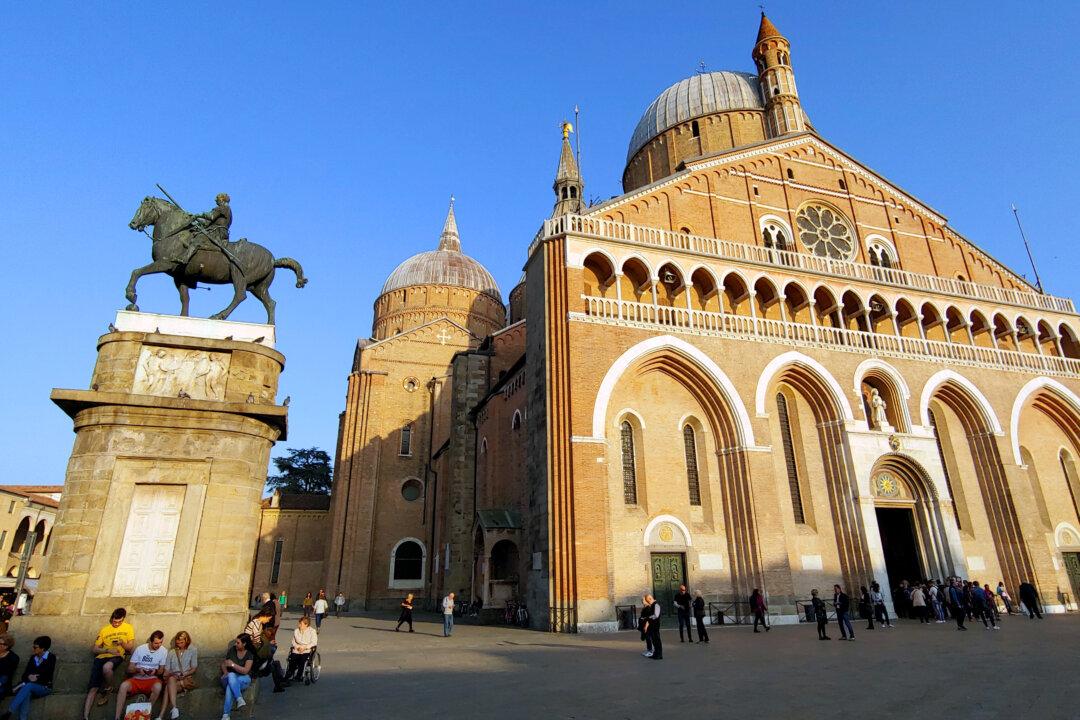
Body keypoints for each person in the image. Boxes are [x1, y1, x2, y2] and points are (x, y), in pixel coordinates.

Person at [84, 607, 135, 720]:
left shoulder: (128, 628)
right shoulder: (104, 629)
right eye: (114, 621)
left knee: (107, 667)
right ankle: (86, 716)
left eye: (119, 622)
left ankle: (109, 687)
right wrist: (107, 650)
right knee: (93, 689)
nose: (116, 623)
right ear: (112, 618)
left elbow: (130, 648)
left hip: (117, 656)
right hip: (102, 656)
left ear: (123, 620)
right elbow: (94, 649)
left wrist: (122, 643)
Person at [115, 630, 166, 720]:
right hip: (137, 678)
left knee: (158, 686)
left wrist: (155, 671)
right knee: (123, 686)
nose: (158, 645)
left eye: (160, 642)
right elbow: (129, 669)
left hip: (152, 679)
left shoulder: (163, 651)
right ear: (150, 641)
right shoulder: (140, 649)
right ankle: (117, 717)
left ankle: (145, 714)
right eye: (156, 643)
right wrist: (138, 670)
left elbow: (161, 671)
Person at [3, 636, 55, 720]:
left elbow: (47, 674)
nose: (33, 649)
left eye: (35, 647)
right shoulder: (32, 658)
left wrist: (36, 678)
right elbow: (24, 675)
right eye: (33, 646)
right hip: (30, 686)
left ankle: (9, 711)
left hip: (44, 687)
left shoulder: (51, 658)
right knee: (27, 692)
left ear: (43, 649)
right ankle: (22, 718)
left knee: (29, 686)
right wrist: (29, 676)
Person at [181, 192, 233, 264]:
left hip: (217, 232)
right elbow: (206, 222)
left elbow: (211, 216)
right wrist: (195, 218)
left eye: (217, 198)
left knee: (198, 239)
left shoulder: (223, 208)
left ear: (222, 199)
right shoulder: (226, 209)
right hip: (217, 230)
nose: (215, 200)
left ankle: (184, 259)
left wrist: (198, 215)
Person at [158, 631, 197, 720]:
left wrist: (184, 674)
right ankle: (174, 708)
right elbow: (167, 670)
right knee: (171, 680)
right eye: (178, 643)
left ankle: (161, 716)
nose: (179, 645)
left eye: (181, 642)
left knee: (168, 688)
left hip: (185, 679)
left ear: (187, 641)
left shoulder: (193, 650)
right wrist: (168, 674)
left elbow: (194, 668)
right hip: (173, 678)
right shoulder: (171, 652)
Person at [220, 634, 254, 720]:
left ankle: (226, 715)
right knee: (231, 676)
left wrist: (233, 665)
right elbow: (224, 664)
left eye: (238, 643)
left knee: (230, 687)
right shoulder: (232, 650)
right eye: (236, 642)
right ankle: (239, 699)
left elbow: (246, 671)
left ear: (244, 644)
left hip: (244, 678)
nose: (235, 644)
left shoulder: (249, 654)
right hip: (231, 677)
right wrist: (225, 672)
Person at [284, 615, 318, 682]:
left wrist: (305, 647)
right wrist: (297, 647)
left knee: (302, 660)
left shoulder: (312, 631)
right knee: (292, 659)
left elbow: (314, 642)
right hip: (297, 649)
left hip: (307, 650)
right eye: (299, 623)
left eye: (301, 624)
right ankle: (290, 673)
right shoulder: (296, 631)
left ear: (306, 624)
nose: (299, 625)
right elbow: (293, 641)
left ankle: (299, 675)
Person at [642, 594, 662, 660]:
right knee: (654, 641)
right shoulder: (653, 605)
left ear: (650, 599)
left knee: (657, 640)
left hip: (655, 626)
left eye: (648, 601)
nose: (648, 603)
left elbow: (656, 615)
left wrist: (648, 618)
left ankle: (659, 655)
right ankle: (655, 654)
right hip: (652, 626)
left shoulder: (656, 605)